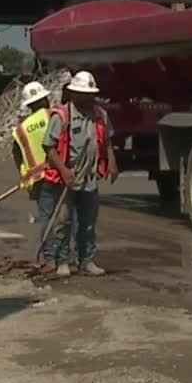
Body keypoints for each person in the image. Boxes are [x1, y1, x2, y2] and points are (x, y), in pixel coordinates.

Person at [40, 70, 119, 277]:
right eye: (84, 94)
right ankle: (62, 260)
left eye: (90, 94)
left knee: (88, 223)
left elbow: (107, 141)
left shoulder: (100, 115)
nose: (88, 98)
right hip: (68, 179)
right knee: (63, 222)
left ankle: (87, 261)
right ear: (74, 94)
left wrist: (112, 161)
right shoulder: (62, 116)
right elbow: (49, 147)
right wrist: (64, 171)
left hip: (90, 178)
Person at [12, 81, 53, 225]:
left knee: (47, 220)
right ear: (45, 99)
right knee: (65, 220)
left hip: (37, 182)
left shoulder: (21, 129)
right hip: (59, 175)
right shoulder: (55, 116)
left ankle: (48, 247)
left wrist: (25, 177)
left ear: (28, 105)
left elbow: (18, 157)